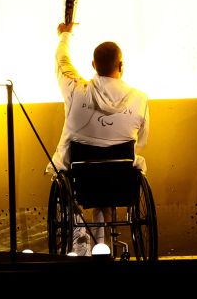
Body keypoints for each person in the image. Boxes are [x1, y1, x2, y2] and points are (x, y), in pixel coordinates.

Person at [50, 21, 150, 254]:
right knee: (113, 170)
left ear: (93, 65)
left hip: (81, 180)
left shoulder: (76, 90)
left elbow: (62, 62)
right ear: (122, 65)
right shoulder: (140, 99)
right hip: (119, 181)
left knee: (74, 172)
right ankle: (102, 241)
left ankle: (81, 233)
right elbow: (142, 141)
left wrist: (65, 35)